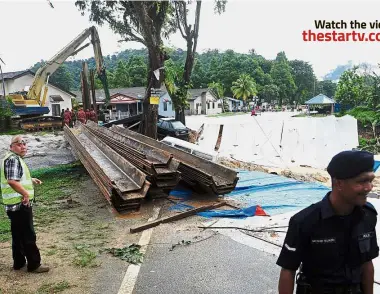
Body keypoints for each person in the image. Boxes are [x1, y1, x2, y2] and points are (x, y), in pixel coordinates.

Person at [277, 150, 378, 294]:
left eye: (370, 180)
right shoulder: (305, 221)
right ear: (339, 183)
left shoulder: (367, 215)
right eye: (362, 181)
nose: (369, 187)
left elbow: (367, 263)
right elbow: (288, 270)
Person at [1, 136, 49, 273]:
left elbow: (16, 178)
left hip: (13, 204)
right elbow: (12, 181)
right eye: (19, 144)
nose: (23, 146)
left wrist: (31, 179)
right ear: (11, 147)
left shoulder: (12, 159)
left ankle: (19, 262)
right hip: (20, 204)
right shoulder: (13, 160)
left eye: (24, 143)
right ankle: (34, 265)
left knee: (18, 234)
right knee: (28, 234)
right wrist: (26, 194)